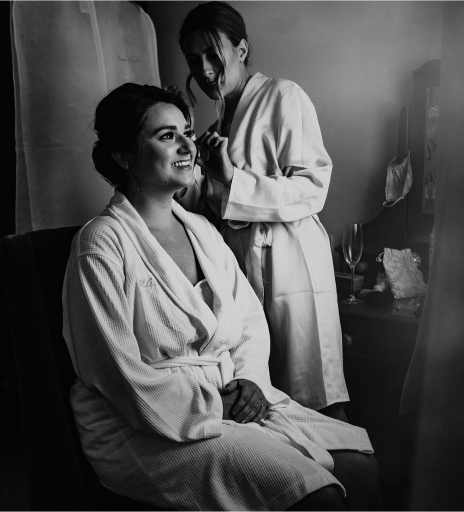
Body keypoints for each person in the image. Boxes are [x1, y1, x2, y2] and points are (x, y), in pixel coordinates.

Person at [62, 82, 379, 511]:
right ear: (123, 155)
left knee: (362, 468)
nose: (187, 147)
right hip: (144, 422)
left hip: (229, 394)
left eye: (187, 133)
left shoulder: (202, 231)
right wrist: (212, 406)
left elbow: (249, 323)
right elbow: (114, 371)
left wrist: (249, 382)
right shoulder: (101, 244)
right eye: (167, 135)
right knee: (318, 496)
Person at [173, 1, 348, 420]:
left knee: (314, 393)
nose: (205, 70)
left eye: (213, 54)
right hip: (240, 271)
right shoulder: (214, 128)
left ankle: (350, 458)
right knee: (262, 398)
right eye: (194, 60)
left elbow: (313, 186)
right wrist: (188, 162)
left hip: (291, 263)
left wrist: (233, 179)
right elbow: (206, 211)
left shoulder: (283, 96)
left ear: (242, 49)